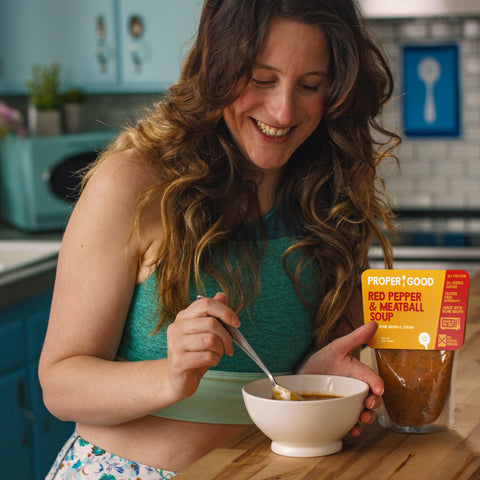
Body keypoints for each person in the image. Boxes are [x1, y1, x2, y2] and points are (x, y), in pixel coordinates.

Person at [39, 0, 400, 478]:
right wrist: (169, 375)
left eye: (310, 85)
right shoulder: (133, 184)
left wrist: (314, 378)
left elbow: (283, 383)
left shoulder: (328, 205)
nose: (283, 109)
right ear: (217, 69)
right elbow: (60, 385)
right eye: (260, 78)